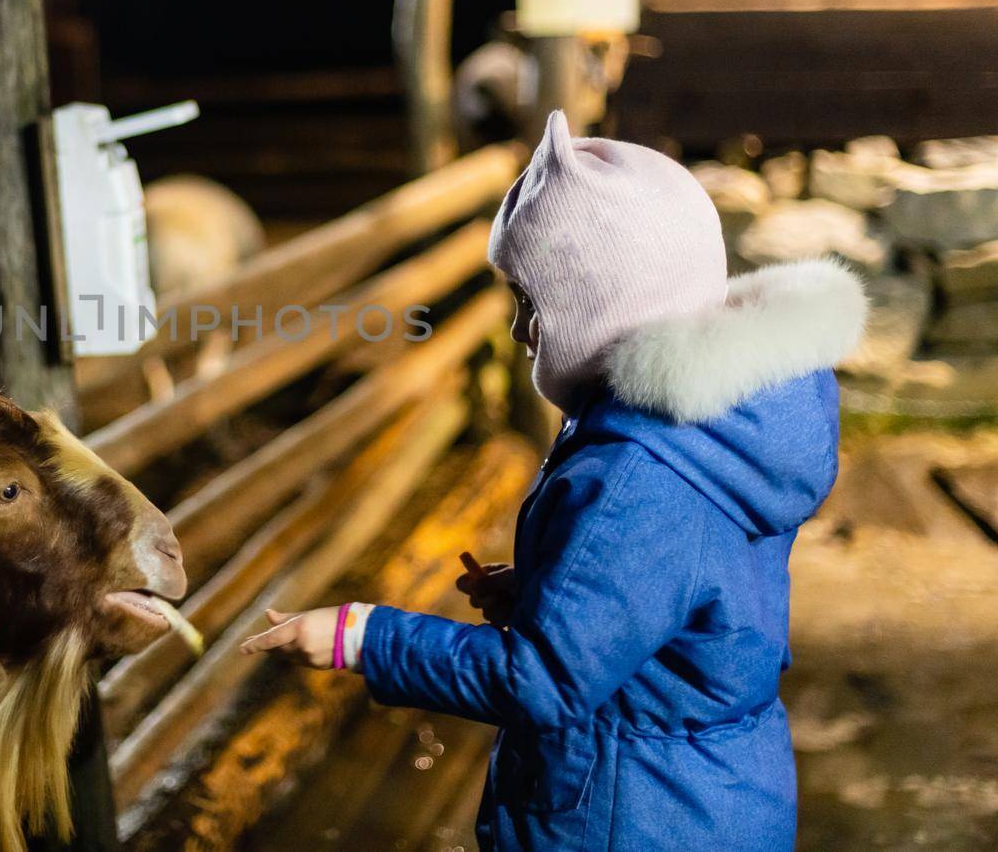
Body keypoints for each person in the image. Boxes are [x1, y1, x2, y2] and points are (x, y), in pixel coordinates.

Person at [241, 110, 867, 851]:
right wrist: (555, 589)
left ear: (602, 307)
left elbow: (538, 681)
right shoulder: (724, 424)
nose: (518, 330)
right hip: (708, 788)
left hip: (630, 812)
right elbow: (684, 585)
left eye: (531, 305)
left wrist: (362, 636)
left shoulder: (639, 470)